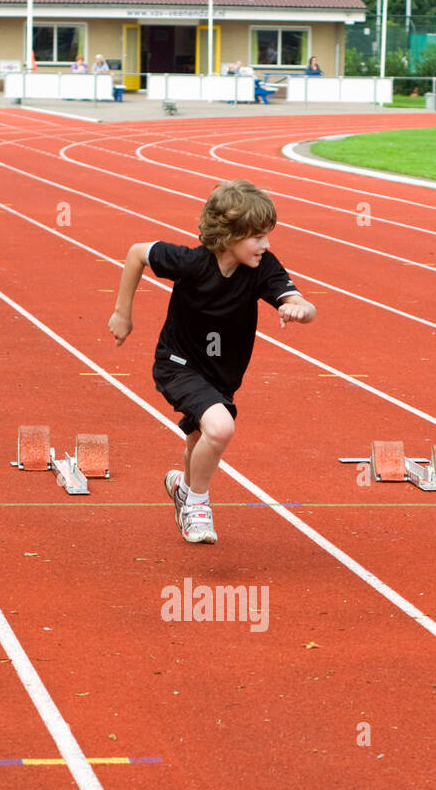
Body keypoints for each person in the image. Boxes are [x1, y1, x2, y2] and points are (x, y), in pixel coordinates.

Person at [108, 180, 316, 544]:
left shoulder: (262, 268)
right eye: (257, 237)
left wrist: (298, 308)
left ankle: (182, 487)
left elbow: (301, 302)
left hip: (222, 375)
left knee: (199, 442)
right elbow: (137, 252)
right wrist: (122, 314)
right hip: (178, 364)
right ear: (228, 235)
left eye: (267, 236)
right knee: (219, 429)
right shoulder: (190, 263)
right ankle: (196, 503)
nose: (265, 245)